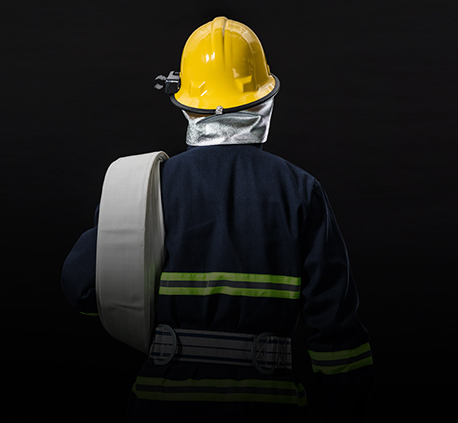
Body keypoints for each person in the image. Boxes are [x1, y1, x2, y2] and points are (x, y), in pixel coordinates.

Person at [61, 16, 373, 422]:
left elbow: (82, 288)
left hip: (161, 408)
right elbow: (335, 330)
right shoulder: (301, 190)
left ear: (186, 101)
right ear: (263, 98)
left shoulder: (147, 185)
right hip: (268, 407)